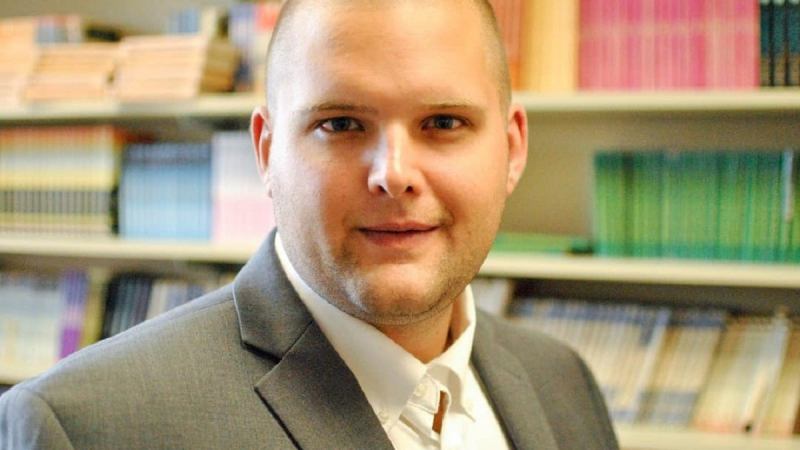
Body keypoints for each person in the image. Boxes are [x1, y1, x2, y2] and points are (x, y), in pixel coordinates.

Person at [0, 0, 618, 448]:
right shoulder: (87, 426)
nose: (394, 174)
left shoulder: (562, 382)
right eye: (341, 124)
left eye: (444, 123)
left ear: (512, 149)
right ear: (267, 152)